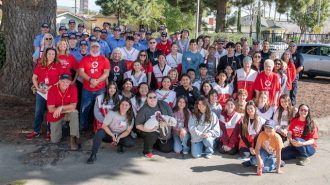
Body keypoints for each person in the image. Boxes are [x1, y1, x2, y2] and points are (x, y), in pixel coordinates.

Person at [87, 98, 136, 164]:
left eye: (126, 105)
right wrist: (112, 135)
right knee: (99, 133)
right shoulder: (112, 113)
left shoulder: (130, 116)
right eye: (122, 104)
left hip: (121, 135)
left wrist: (119, 137)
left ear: (129, 106)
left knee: (130, 143)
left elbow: (128, 131)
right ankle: (93, 155)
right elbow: (104, 126)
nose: (124, 106)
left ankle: (120, 145)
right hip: (109, 133)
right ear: (119, 105)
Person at [27, 48, 61, 140]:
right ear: (46, 55)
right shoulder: (40, 65)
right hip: (41, 93)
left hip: (52, 92)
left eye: (53, 54)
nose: (51, 56)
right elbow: (34, 78)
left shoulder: (57, 65)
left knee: (50, 112)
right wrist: (37, 88)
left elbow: (61, 79)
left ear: (55, 56)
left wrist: (52, 86)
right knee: (38, 112)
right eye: (49, 54)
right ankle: (36, 131)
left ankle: (49, 132)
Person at [79, 42, 110, 131]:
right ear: (90, 48)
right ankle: (83, 126)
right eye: (93, 47)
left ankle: (98, 127)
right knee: (84, 108)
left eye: (97, 47)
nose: (95, 49)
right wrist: (90, 80)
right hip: (87, 89)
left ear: (99, 49)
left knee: (100, 109)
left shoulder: (104, 59)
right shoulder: (84, 59)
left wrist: (97, 81)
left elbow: (106, 73)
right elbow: (81, 72)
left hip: (100, 89)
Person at [135, 91, 174, 158]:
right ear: (146, 99)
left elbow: (171, 118)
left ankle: (155, 144)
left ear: (157, 98)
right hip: (150, 131)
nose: (152, 99)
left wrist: (166, 124)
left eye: (154, 97)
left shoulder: (164, 104)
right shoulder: (143, 110)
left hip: (163, 129)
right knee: (152, 135)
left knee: (167, 149)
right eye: (150, 97)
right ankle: (147, 151)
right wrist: (149, 130)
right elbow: (138, 125)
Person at [47, 74, 80, 150]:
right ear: (59, 81)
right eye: (63, 81)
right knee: (55, 140)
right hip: (55, 115)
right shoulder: (52, 90)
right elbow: (51, 109)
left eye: (67, 82)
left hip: (66, 113)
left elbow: (73, 106)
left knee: (74, 113)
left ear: (70, 82)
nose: (65, 84)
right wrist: (66, 110)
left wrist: (60, 107)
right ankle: (61, 129)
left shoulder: (73, 88)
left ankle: (73, 139)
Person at [288, 41, 304, 106]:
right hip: (287, 76)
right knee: (286, 92)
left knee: (293, 93)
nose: (292, 47)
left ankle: (292, 108)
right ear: (288, 47)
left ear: (296, 47)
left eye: (293, 46)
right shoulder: (286, 54)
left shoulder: (299, 55)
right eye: (290, 46)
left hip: (294, 76)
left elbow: (301, 67)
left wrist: (293, 74)